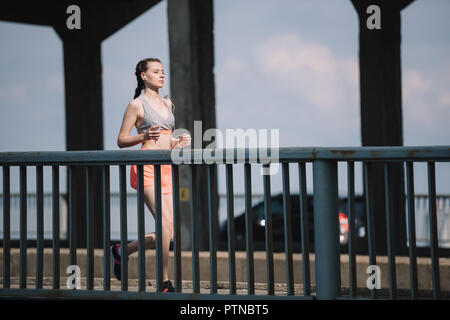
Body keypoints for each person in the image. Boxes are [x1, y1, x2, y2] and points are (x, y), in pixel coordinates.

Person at [114, 57, 191, 293]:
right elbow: (121, 140)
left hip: (166, 168)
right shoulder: (136, 105)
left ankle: (121, 251)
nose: (161, 75)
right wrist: (143, 137)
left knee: (168, 232)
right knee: (165, 224)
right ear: (143, 76)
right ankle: (164, 281)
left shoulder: (168, 104)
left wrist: (178, 143)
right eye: (156, 71)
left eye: (163, 72)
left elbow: (167, 141)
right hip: (147, 167)